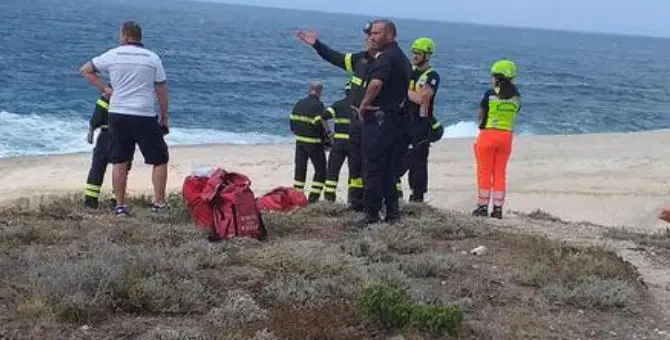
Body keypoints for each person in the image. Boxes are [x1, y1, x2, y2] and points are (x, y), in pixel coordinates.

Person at [79, 21, 170, 217]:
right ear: (139, 37)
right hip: (144, 114)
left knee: (119, 159)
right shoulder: (152, 58)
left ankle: (120, 206)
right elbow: (161, 90)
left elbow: (85, 70)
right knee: (159, 159)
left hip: (118, 114)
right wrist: (164, 117)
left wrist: (104, 88)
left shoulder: (113, 54)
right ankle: (159, 204)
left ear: (125, 36)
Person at [296, 22, 378, 212]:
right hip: (357, 131)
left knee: (367, 170)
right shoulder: (360, 59)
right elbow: (335, 58)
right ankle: (357, 207)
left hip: (372, 128)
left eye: (374, 35)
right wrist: (316, 44)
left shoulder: (388, 62)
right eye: (367, 36)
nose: (369, 39)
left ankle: (372, 208)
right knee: (355, 172)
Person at [355, 19, 412, 225]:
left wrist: (364, 104)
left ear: (390, 35)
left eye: (377, 33)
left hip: (379, 120)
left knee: (372, 168)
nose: (372, 36)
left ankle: (371, 215)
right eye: (371, 33)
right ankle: (393, 214)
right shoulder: (402, 58)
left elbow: (377, 83)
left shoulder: (386, 58)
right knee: (388, 170)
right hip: (395, 121)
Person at [472, 59, 521, 219]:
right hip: (506, 137)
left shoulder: (490, 94)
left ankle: (482, 206)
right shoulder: (517, 97)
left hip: (488, 135)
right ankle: (498, 208)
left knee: (484, 172)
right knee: (500, 173)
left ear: (497, 77)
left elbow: (480, 115)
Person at [395, 37, 442, 203]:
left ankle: (417, 197)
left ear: (427, 55)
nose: (414, 56)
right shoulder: (409, 71)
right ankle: (395, 192)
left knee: (418, 163)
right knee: (395, 157)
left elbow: (422, 98)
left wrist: (402, 89)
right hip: (404, 121)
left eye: (418, 53)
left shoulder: (432, 76)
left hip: (421, 124)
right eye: (414, 52)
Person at [84, 87, 134, 209]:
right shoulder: (132, 96)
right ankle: (117, 201)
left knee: (97, 168)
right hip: (125, 136)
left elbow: (98, 115)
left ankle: (91, 201)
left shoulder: (107, 96)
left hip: (106, 136)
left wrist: (91, 130)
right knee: (122, 169)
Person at [290, 81, 330, 203]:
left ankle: (297, 199)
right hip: (314, 142)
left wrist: (298, 133)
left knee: (300, 171)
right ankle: (313, 200)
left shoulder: (299, 103)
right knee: (321, 171)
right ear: (320, 91)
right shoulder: (318, 105)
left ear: (310, 90)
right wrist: (325, 138)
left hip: (300, 141)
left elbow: (292, 121)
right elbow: (319, 123)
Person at [322, 81, 354, 202]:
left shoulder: (338, 104)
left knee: (332, 172)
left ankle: (329, 199)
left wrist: (329, 133)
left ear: (345, 92)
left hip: (338, 143)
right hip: (354, 144)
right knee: (354, 173)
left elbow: (323, 116)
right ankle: (352, 199)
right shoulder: (360, 105)